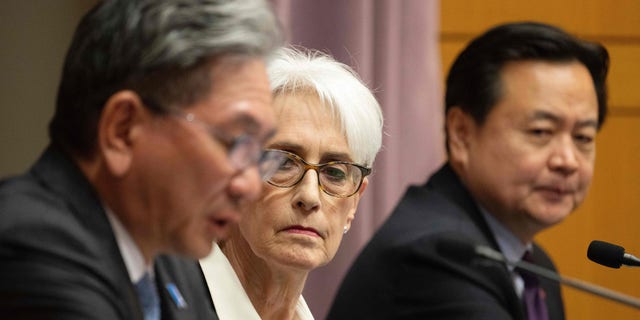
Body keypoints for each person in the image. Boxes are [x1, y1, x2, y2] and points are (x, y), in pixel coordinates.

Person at [0, 0, 283, 319]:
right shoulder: (33, 251)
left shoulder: (165, 252)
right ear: (122, 130)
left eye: (258, 153)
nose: (250, 186)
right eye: (233, 141)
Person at [328, 21, 609, 320]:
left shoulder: (536, 268)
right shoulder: (437, 257)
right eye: (540, 132)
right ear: (462, 134)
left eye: (583, 138)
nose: (568, 160)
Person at [199, 47, 384, 320]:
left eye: (334, 173)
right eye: (283, 162)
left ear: (354, 203)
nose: (310, 196)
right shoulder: (157, 300)